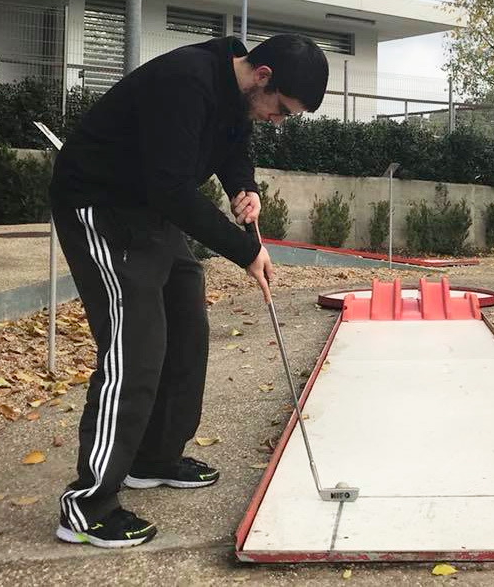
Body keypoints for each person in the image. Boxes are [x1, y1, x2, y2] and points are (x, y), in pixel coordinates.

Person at [48, 34, 329, 548]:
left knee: (187, 327)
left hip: (149, 211)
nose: (278, 120)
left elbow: (233, 141)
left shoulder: (233, 90)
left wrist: (244, 188)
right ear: (262, 76)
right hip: (102, 207)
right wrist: (245, 252)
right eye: (282, 110)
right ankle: (87, 505)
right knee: (134, 351)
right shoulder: (186, 81)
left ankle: (154, 457)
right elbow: (171, 188)